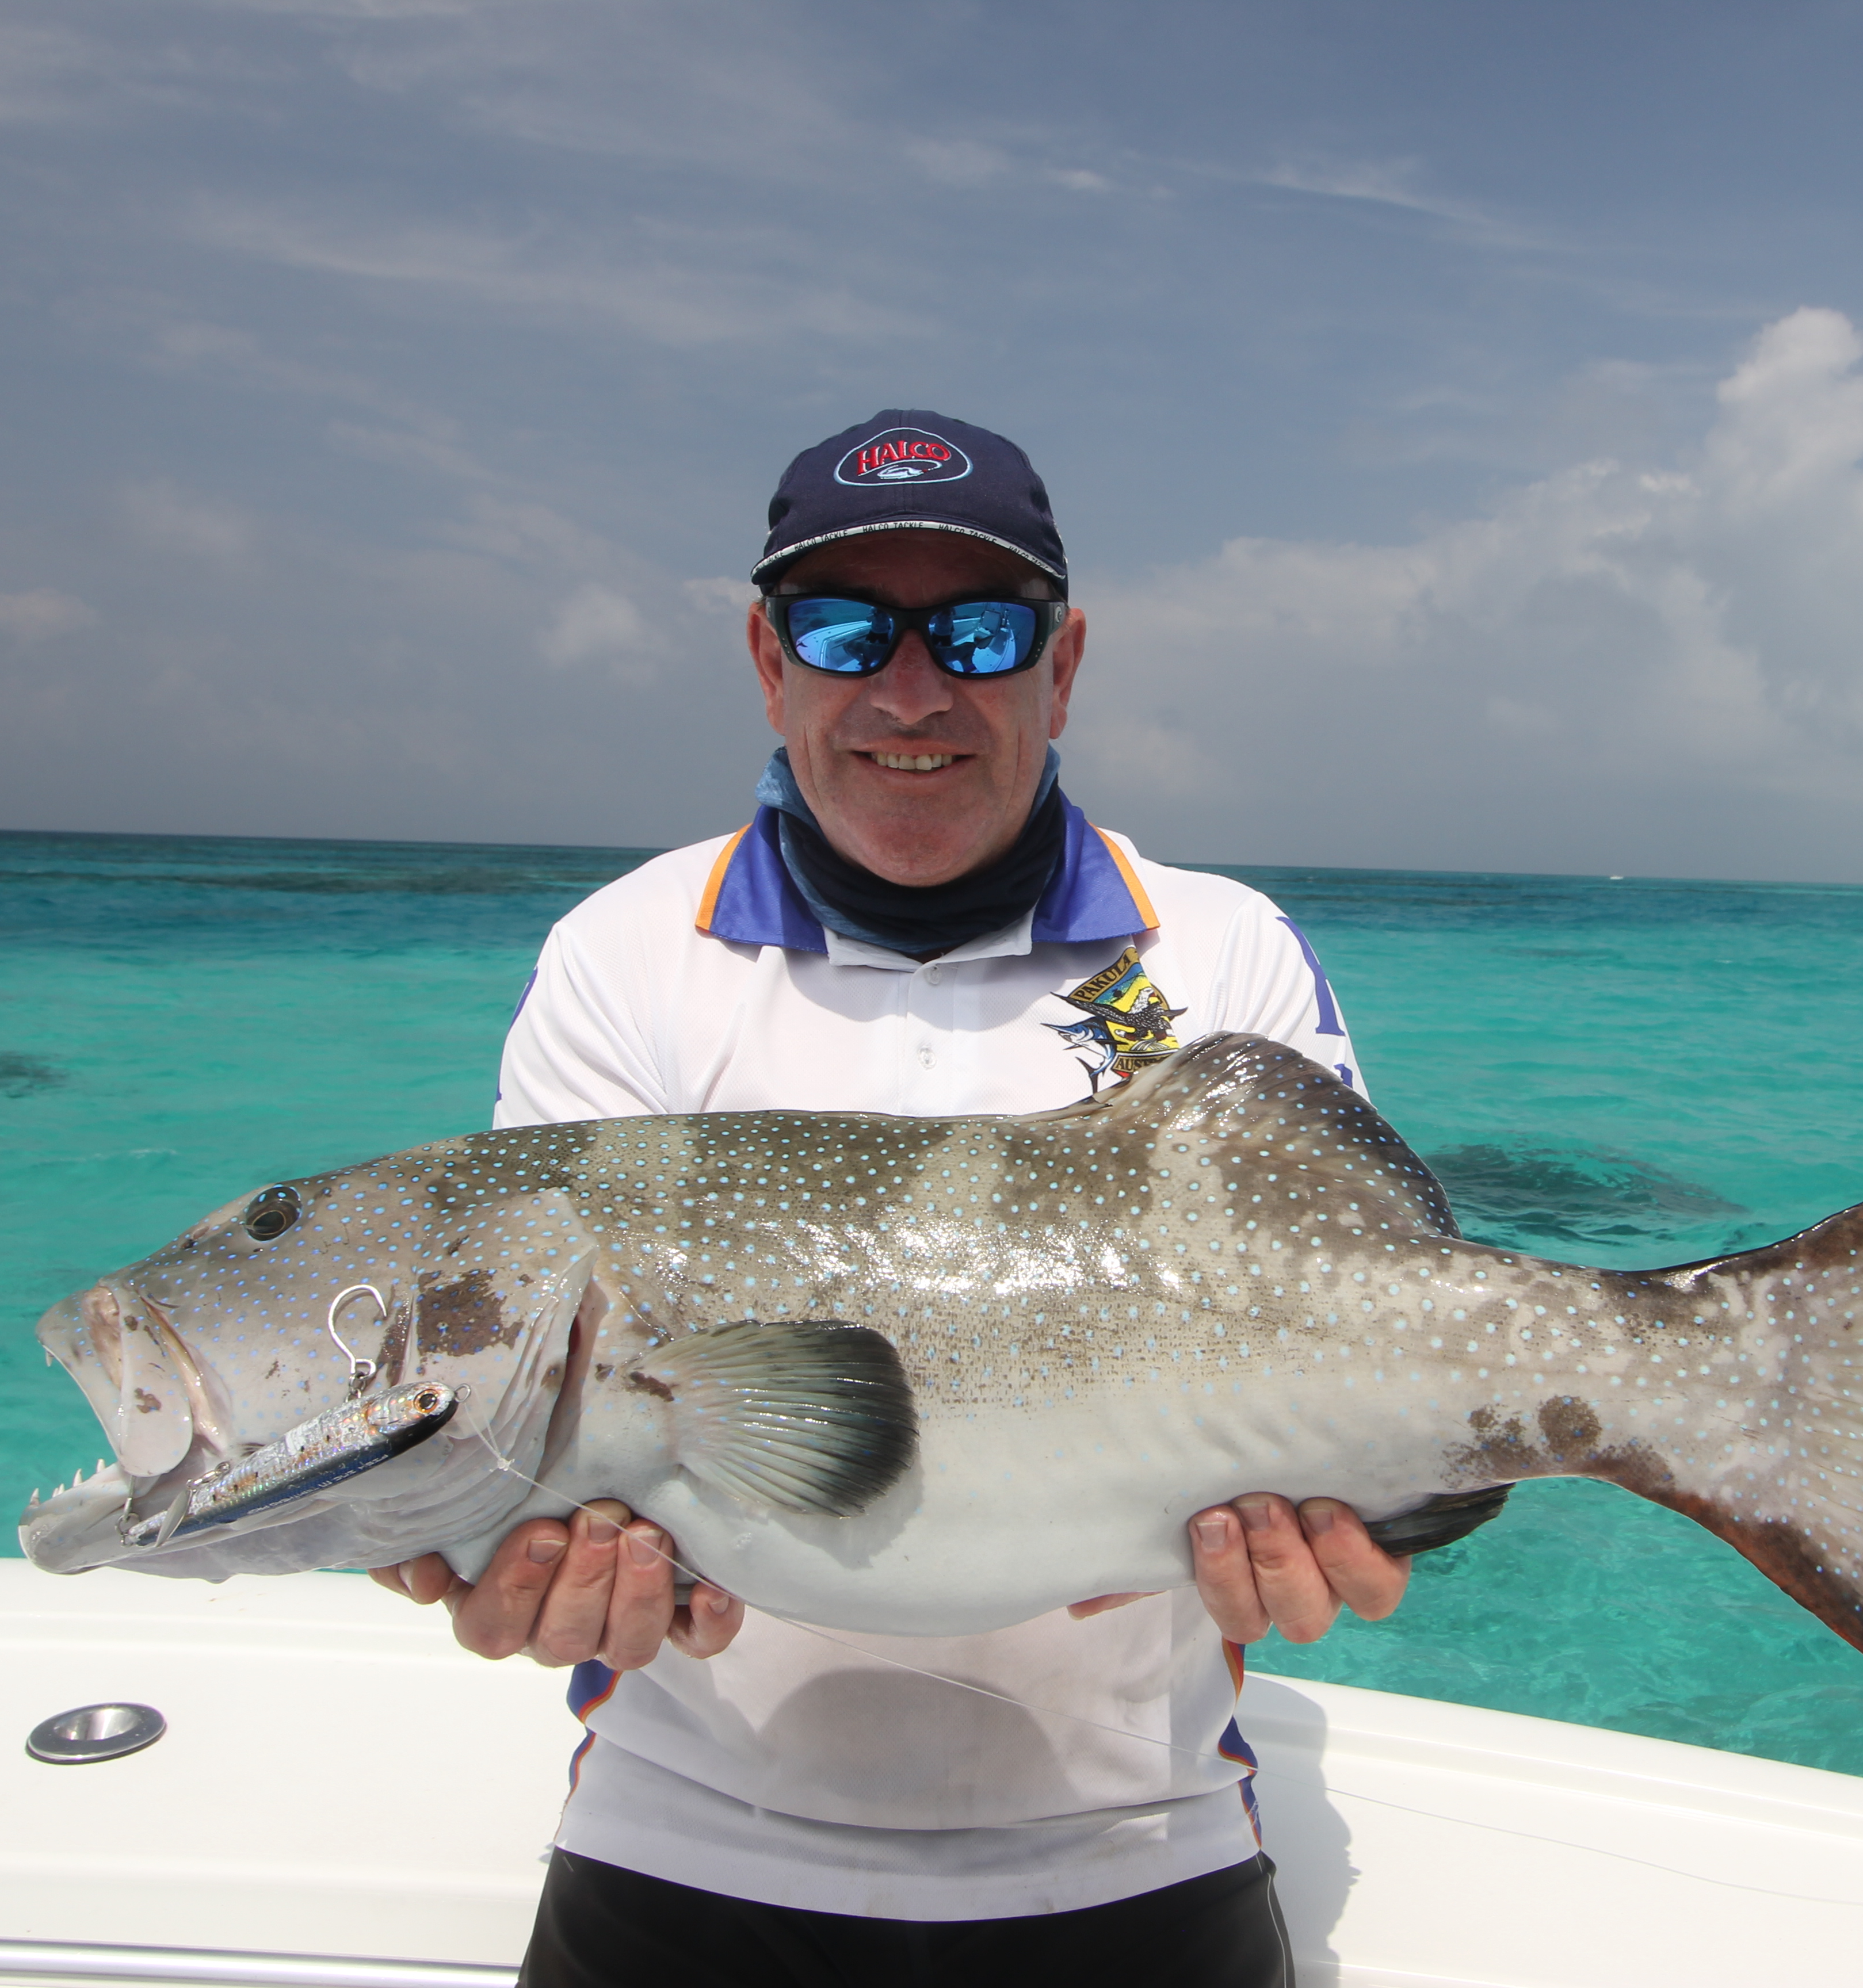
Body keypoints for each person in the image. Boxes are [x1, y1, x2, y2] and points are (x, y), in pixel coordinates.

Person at [372, 412, 1421, 1987]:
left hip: (1142, 1841)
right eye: (848, 629)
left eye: (981, 635)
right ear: (766, 658)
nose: (914, 693)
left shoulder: (1223, 951)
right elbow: (548, 1383)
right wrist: (512, 1535)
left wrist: (1378, 1505)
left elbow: (1373, 1325)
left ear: (1061, 669)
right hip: (681, 1830)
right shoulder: (626, 951)